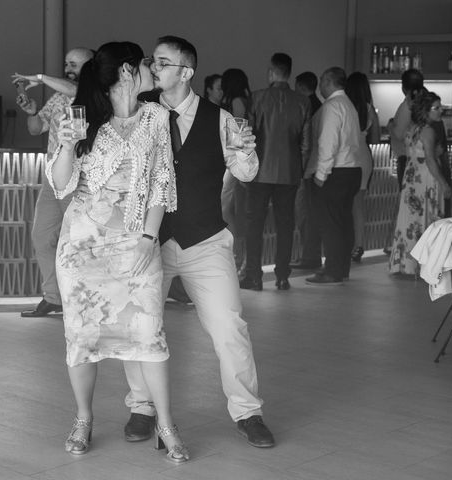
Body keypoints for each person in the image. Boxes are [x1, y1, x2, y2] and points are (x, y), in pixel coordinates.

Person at [122, 35, 275, 449]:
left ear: (186, 72)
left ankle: (248, 411)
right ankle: (142, 406)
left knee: (230, 326)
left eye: (164, 63)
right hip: (148, 241)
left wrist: (246, 153)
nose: (155, 69)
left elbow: (245, 173)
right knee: (140, 325)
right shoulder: (140, 111)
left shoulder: (222, 119)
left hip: (205, 240)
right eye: (153, 62)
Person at [47, 41, 188, 462]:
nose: (149, 70)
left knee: (149, 334)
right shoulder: (81, 118)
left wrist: (149, 237)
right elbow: (60, 184)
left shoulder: (157, 118)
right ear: (128, 71)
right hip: (83, 247)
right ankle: (83, 418)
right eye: (146, 63)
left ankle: (166, 423)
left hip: (136, 244)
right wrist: (69, 144)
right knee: (82, 338)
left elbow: (162, 182)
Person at [14, 47, 93, 317]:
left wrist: (38, 77)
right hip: (52, 178)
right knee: (42, 237)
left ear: (91, 66)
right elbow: (36, 128)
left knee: (80, 240)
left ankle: (85, 300)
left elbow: (75, 90)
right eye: (66, 63)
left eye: (74, 64)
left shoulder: (96, 94)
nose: (68, 67)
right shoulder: (59, 97)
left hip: (81, 178)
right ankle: (53, 297)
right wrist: (32, 112)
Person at [241, 53, 312, 291]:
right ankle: (282, 276)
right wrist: (299, 170)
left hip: (260, 172)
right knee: (285, 224)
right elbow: (306, 143)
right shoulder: (302, 101)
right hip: (289, 172)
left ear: (272, 72)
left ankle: (254, 275)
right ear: (289, 72)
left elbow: (247, 137)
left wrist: (245, 169)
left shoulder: (257, 98)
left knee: (255, 225)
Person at [304, 67, 361, 286]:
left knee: (330, 224)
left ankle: (332, 270)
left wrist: (321, 173)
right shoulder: (348, 105)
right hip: (352, 169)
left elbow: (328, 142)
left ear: (328, 81)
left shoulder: (332, 107)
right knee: (343, 221)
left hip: (335, 171)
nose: (319, 85)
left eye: (321, 80)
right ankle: (341, 268)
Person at [389, 91, 451, 275]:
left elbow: (415, 152)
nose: (440, 111)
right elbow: (430, 160)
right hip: (426, 178)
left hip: (411, 175)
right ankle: (426, 265)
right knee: (429, 219)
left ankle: (406, 264)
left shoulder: (412, 128)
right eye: (437, 108)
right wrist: (444, 183)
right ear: (426, 110)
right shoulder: (429, 131)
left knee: (409, 219)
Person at [345, 72, 381, 263]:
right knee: (358, 204)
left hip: (346, 157)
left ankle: (345, 244)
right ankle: (358, 246)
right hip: (364, 156)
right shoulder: (369, 109)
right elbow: (375, 138)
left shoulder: (344, 107)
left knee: (343, 205)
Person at [220, 68, 252, 272]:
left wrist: (234, 163)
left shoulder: (236, 102)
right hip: (234, 161)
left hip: (231, 162)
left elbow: (237, 136)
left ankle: (234, 256)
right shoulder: (244, 100)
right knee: (228, 209)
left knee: (225, 209)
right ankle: (234, 256)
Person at [291, 71, 323, 270]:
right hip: (314, 168)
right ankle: (311, 255)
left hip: (306, 168)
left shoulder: (306, 106)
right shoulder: (320, 105)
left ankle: (309, 256)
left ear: (302, 87)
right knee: (311, 214)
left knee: (305, 214)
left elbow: (305, 142)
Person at [388, 69, 425, 188]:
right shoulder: (426, 102)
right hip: (421, 158)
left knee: (409, 199)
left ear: (403, 87)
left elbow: (399, 135)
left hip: (407, 158)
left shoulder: (408, 105)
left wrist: (390, 125)